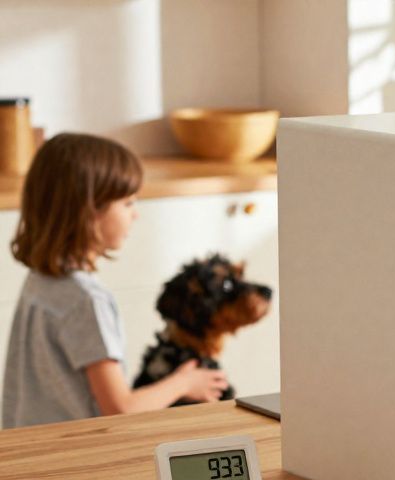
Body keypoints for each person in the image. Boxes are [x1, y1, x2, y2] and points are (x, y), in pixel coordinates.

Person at [2, 133, 228, 429]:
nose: (135, 215)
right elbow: (121, 408)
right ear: (90, 211)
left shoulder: (41, 280)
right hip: (77, 460)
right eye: (128, 203)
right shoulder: (86, 299)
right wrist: (183, 383)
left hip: (27, 451)